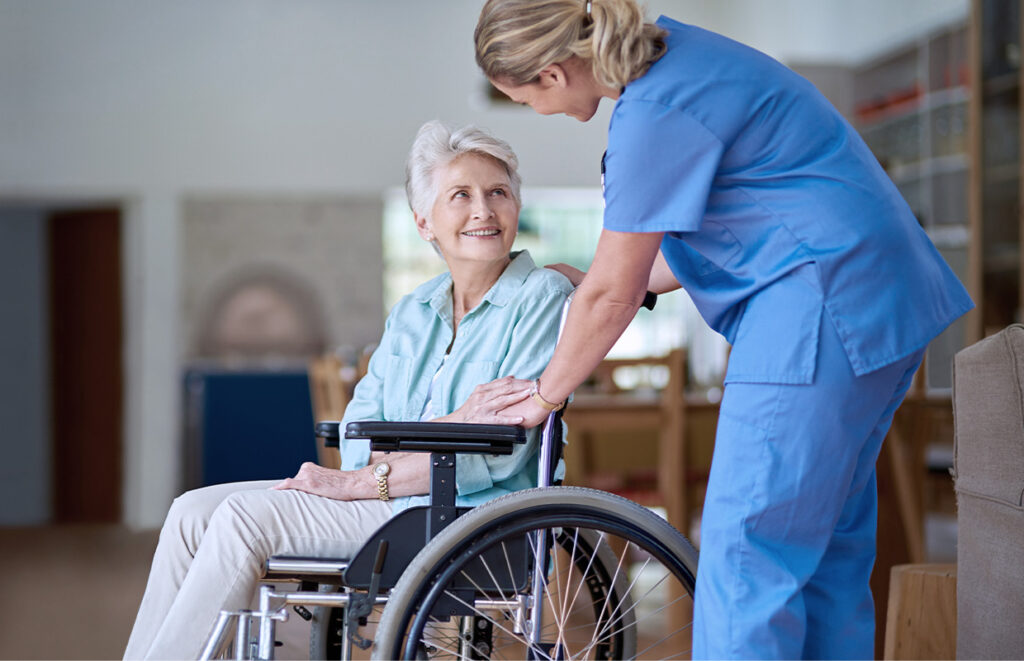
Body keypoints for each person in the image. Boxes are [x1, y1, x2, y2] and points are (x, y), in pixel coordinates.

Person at [471, 1, 973, 658]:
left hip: (819, 307)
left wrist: (543, 393)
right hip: (874, 301)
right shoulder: (684, 58)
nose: (538, 111)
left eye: (522, 98)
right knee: (821, 555)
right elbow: (719, 233)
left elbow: (615, 293)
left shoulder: (652, 112)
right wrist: (588, 277)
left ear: (553, 73)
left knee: (746, 556)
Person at [123, 120, 573, 660]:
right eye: (462, 195)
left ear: (515, 207)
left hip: (470, 516)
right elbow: (361, 432)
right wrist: (446, 429)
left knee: (244, 518)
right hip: (391, 501)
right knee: (190, 511)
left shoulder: (541, 296)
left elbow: (497, 454)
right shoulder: (414, 311)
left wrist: (371, 477)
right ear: (424, 222)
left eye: (497, 192)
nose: (483, 210)